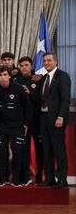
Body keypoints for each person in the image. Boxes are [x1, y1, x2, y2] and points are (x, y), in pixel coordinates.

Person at [0, 66, 32, 187]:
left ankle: (16, 179)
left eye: (5, 75)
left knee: (18, 152)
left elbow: (28, 107)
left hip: (17, 126)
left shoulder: (19, 89)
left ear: (10, 76)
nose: (3, 77)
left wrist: (26, 123)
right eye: (0, 75)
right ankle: (2, 178)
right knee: (0, 152)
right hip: (1, 126)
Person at [38, 53, 71, 188]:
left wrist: (61, 117)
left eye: (49, 60)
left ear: (56, 62)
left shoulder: (62, 76)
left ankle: (62, 180)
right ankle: (49, 179)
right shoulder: (44, 78)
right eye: (44, 61)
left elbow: (65, 99)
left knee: (59, 150)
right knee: (47, 150)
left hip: (57, 119)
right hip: (44, 118)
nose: (46, 63)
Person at [13, 57, 43, 185]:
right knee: (23, 150)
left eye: (26, 65)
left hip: (37, 121)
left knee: (40, 149)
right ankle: (25, 176)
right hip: (23, 122)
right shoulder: (16, 81)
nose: (24, 67)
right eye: (21, 65)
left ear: (31, 66)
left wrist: (29, 92)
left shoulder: (38, 79)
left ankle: (40, 176)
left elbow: (41, 100)